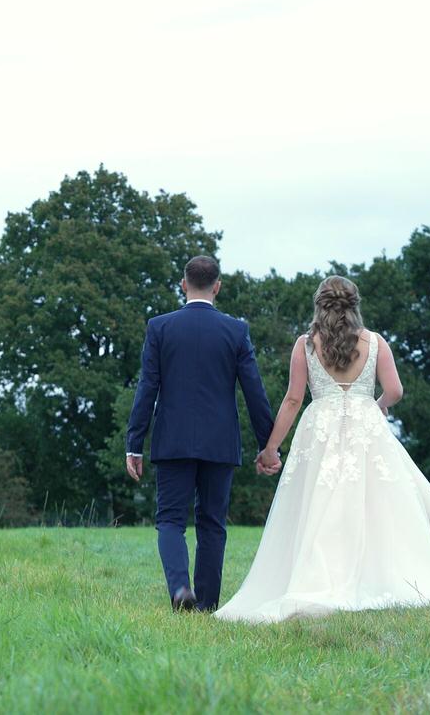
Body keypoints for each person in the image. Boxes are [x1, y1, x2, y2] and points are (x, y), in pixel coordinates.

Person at [214, 275, 430, 623]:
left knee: (320, 504)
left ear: (319, 305)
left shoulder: (306, 344)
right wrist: (376, 404)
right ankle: (386, 577)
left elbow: (292, 399)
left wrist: (272, 448)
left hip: (321, 429)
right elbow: (395, 390)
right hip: (366, 426)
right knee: (378, 504)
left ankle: (319, 575)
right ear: (355, 304)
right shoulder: (376, 342)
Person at [125, 255, 274, 612]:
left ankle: (179, 589)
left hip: (172, 440)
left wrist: (134, 444)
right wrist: (268, 445)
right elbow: (254, 391)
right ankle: (205, 604)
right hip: (220, 443)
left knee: (170, 521)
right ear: (217, 287)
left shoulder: (160, 327)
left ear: (183, 283)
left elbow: (147, 387)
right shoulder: (236, 331)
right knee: (212, 523)